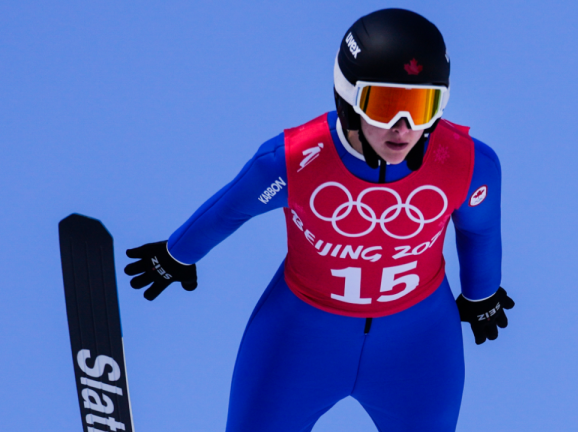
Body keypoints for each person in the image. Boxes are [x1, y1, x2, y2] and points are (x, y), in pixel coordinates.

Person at [124, 8, 514, 432]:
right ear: (348, 99)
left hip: (418, 344)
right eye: (385, 105)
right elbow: (232, 209)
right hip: (300, 338)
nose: (402, 128)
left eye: (422, 107)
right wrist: (177, 254)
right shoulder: (293, 160)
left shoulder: (468, 162)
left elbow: (479, 229)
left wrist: (482, 294)